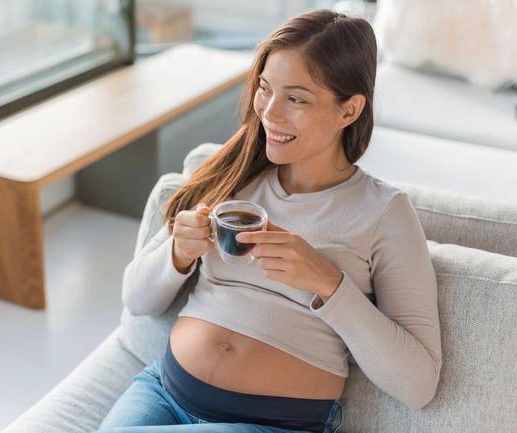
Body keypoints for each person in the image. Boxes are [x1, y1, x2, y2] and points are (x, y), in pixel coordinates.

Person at [96, 9, 442, 433]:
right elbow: (137, 301)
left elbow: (418, 384)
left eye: (295, 98)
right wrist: (178, 253)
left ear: (349, 110)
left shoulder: (384, 212)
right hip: (163, 393)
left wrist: (328, 284)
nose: (270, 113)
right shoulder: (228, 172)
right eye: (265, 89)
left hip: (275, 424)